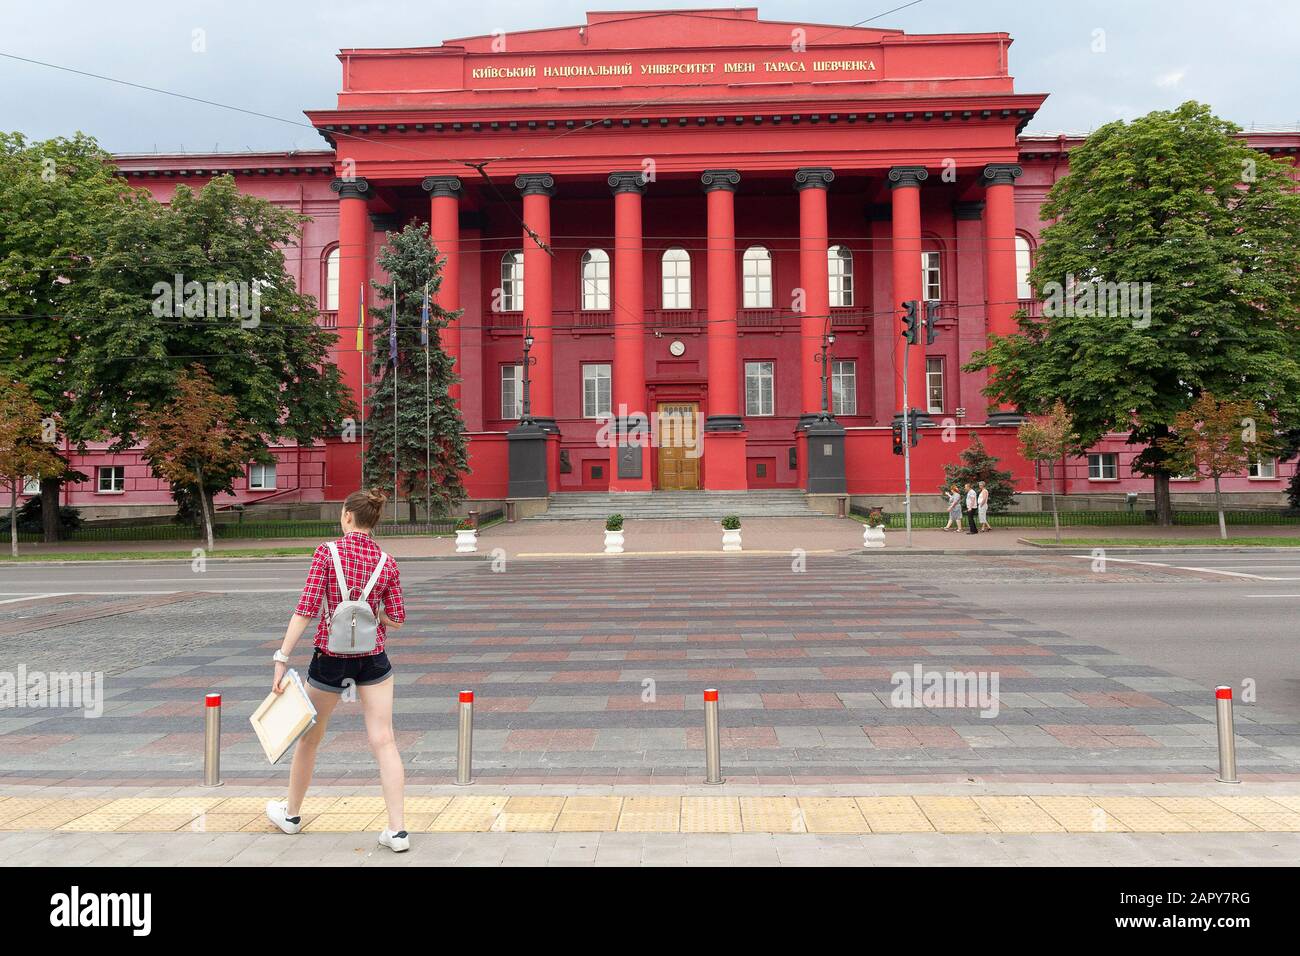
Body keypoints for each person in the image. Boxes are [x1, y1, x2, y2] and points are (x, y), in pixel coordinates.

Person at [266, 488, 410, 851]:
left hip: (330, 659)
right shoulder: (387, 561)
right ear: (373, 520)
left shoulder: (326, 553)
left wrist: (282, 658)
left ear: (347, 515)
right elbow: (397, 619)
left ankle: (292, 815)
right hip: (373, 658)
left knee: (310, 737)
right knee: (385, 739)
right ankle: (397, 831)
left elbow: (306, 609)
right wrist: (370, 610)